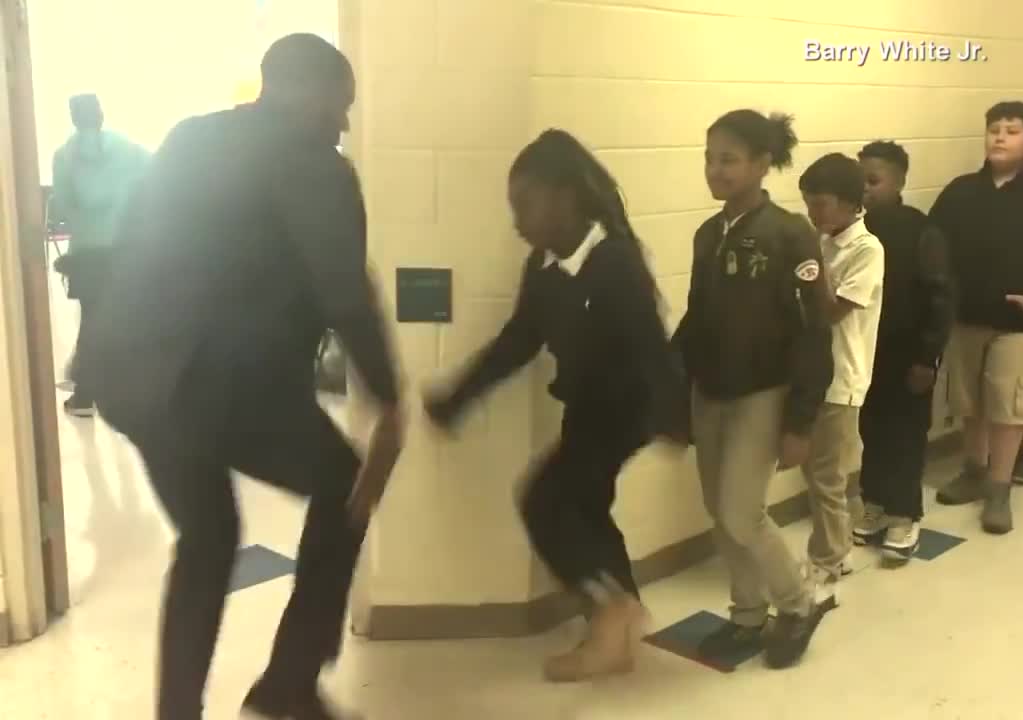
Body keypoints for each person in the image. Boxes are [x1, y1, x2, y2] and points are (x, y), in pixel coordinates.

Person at [80, 34, 404, 720]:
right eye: (340, 106)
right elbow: (345, 290)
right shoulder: (314, 163)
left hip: (130, 377)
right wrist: (393, 400)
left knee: (208, 535)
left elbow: (136, 244)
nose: (343, 123)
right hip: (210, 381)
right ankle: (287, 688)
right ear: (306, 92)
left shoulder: (189, 138)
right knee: (345, 484)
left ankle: (180, 711)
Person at [424, 129, 688, 683]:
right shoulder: (543, 267)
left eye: (525, 204)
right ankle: (618, 623)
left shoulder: (612, 260)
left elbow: (650, 344)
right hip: (587, 407)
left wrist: (671, 418)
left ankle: (613, 614)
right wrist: (459, 397)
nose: (517, 220)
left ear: (566, 199)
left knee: (544, 501)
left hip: (625, 410)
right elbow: (518, 340)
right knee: (585, 510)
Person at [674, 109, 831, 668]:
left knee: (743, 511)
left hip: (764, 393)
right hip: (709, 392)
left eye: (729, 160)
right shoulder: (706, 235)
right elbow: (696, 318)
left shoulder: (791, 235)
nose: (716, 170)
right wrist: (672, 387)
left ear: (763, 164)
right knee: (719, 511)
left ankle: (797, 602)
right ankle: (746, 616)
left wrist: (801, 422)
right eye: (710, 158)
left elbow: (816, 332)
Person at [928, 101, 1023, 535]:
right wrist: (945, 295)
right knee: (969, 401)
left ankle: (999, 487)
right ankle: (974, 470)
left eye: (1011, 130)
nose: (1000, 136)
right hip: (967, 317)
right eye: (994, 128)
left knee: (1007, 404)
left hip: (1017, 323)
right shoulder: (960, 192)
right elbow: (933, 246)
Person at [853, 140, 953, 563]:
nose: (865, 189)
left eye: (873, 181)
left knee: (906, 433)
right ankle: (874, 502)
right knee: (871, 429)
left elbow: (941, 296)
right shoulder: (852, 230)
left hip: (909, 353)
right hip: (864, 353)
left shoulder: (920, 230)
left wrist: (927, 357)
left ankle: (904, 513)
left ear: (899, 182)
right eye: (860, 181)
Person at [797, 153, 884, 588]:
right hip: (811, 376)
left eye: (822, 204)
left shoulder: (867, 249)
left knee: (827, 477)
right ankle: (840, 547)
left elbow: (831, 311)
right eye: (808, 204)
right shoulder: (825, 241)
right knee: (815, 473)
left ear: (851, 203)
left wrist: (808, 263)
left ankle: (827, 559)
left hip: (841, 379)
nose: (813, 214)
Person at [47, 93, 149, 417]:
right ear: (101, 114)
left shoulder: (63, 156)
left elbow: (61, 205)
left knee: (92, 320)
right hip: (127, 248)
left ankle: (85, 397)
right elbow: (155, 176)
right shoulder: (127, 147)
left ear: (74, 118)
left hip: (89, 253)